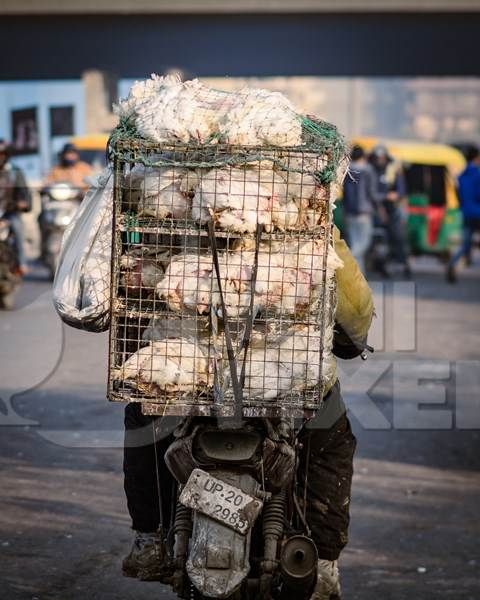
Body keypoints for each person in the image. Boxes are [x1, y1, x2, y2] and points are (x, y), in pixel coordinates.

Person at [122, 229, 374, 600]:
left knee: (144, 417)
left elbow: (128, 308)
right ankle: (321, 564)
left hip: (191, 384)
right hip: (284, 382)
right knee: (329, 434)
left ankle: (149, 539)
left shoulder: (170, 232)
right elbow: (354, 316)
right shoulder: (314, 232)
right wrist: (350, 338)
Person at [369, 145, 410, 278]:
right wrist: (384, 197)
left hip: (393, 211)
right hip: (376, 211)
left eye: (382, 157)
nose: (380, 160)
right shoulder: (371, 172)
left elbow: (401, 191)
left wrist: (395, 195)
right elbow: (371, 193)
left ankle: (404, 266)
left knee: (398, 238)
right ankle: (380, 266)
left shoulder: (393, 171)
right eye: (377, 158)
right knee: (379, 241)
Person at [342, 145, 381, 274]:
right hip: (364, 213)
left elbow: (344, 192)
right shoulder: (369, 171)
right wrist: (380, 208)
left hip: (350, 212)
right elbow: (372, 193)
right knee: (362, 245)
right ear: (363, 156)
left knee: (355, 242)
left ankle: (357, 275)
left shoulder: (347, 170)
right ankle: (349, 264)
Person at [446, 145, 480, 283]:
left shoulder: (461, 176)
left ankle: (453, 262)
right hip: (478, 212)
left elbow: (458, 195)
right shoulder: (477, 175)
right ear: (477, 158)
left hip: (465, 213)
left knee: (465, 243)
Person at [0, 139, 32, 273]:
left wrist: (22, 202)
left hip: (9, 212)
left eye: (1, 154)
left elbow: (24, 192)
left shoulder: (15, 172)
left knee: (17, 225)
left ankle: (21, 263)